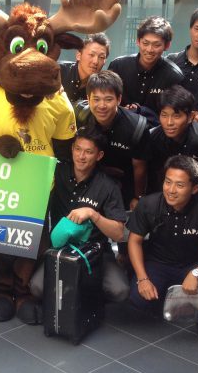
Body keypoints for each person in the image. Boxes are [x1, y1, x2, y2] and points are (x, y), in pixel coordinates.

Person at [128, 155, 198, 346]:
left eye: (179, 185)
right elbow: (134, 241)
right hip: (160, 263)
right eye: (167, 182)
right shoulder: (148, 204)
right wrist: (142, 278)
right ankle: (172, 305)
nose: (171, 190)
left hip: (196, 264)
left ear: (194, 188)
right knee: (139, 300)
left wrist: (196, 273)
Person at [30, 127, 129, 302]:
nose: (81, 156)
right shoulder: (57, 172)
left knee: (119, 290)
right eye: (78, 149)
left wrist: (93, 214)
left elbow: (119, 233)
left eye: (88, 152)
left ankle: (80, 292)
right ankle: (76, 290)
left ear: (99, 156)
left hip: (95, 250)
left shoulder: (108, 185)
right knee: (36, 288)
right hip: (60, 249)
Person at [82, 70, 150, 211]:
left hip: (124, 184)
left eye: (108, 99)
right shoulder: (79, 117)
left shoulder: (137, 127)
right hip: (88, 179)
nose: (102, 105)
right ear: (88, 99)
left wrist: (138, 197)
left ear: (119, 99)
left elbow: (140, 167)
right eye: (96, 99)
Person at [108, 15, 183, 118]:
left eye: (156, 45)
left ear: (167, 46)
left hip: (154, 130)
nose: (149, 49)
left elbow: (174, 115)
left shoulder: (174, 76)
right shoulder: (118, 66)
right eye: (145, 43)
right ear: (138, 41)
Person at [146, 85, 198, 194]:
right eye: (164, 115)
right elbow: (154, 175)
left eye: (176, 116)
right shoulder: (154, 136)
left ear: (190, 117)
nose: (169, 123)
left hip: (197, 196)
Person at [59, 33, 110, 104]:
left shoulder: (100, 86)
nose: (96, 62)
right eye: (91, 55)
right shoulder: (58, 71)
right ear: (78, 55)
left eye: (101, 57)